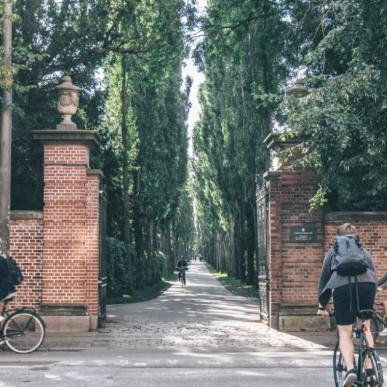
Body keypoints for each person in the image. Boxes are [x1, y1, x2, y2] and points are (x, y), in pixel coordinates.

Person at [317, 223, 377, 387]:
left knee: (345, 332)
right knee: (365, 326)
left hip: (342, 289)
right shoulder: (364, 252)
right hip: (367, 286)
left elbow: (324, 280)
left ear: (337, 238)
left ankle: (350, 370)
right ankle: (370, 369)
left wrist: (322, 306)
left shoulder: (333, 252)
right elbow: (373, 274)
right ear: (356, 237)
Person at [0, 255, 16, 322]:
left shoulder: (1, 260)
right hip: (6, 289)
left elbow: (2, 275)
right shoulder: (2, 259)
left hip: (4, 290)